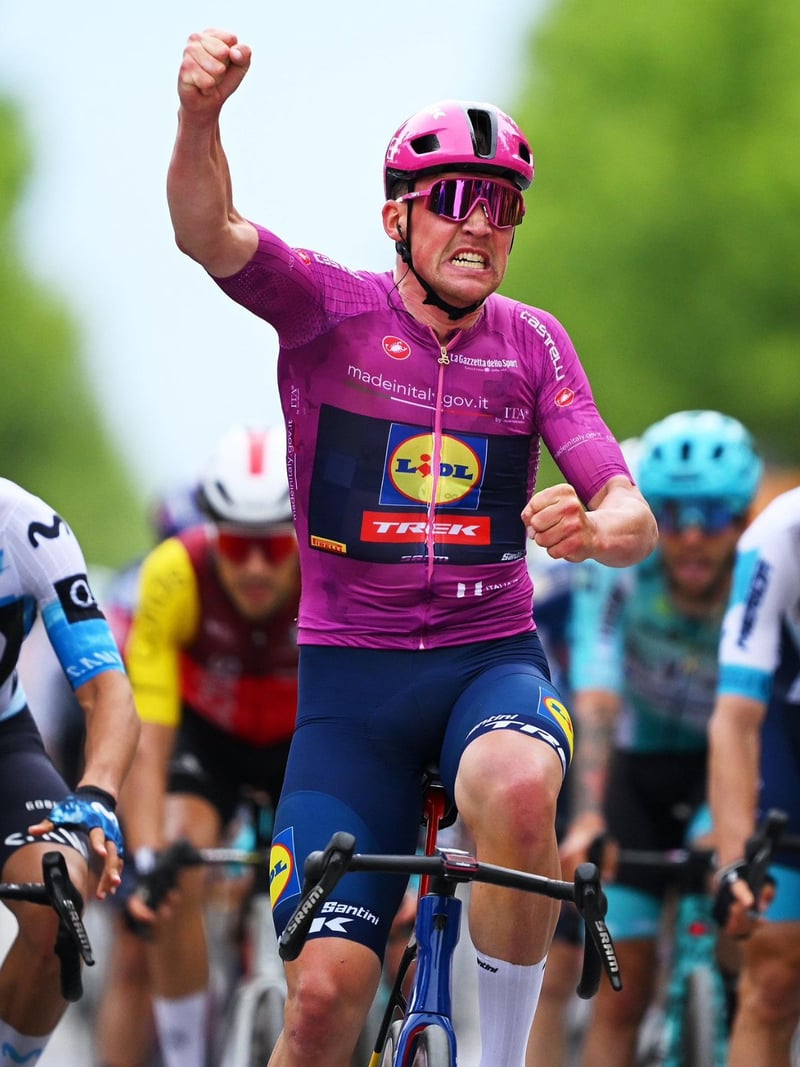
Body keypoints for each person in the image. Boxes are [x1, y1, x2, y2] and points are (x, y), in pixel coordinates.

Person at [166, 29, 658, 1067]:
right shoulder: (328, 311)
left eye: (503, 205)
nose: (481, 221)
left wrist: (595, 528)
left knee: (518, 787)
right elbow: (208, 230)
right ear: (397, 216)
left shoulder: (533, 342)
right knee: (318, 1007)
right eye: (455, 198)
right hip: (352, 691)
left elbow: (628, 512)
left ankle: (501, 1057)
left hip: (490, 662)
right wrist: (200, 116)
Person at [558, 410, 763, 1066]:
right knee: (620, 993)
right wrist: (588, 815)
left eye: (715, 515)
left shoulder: (760, 570)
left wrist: (731, 826)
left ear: (743, 517)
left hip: (722, 768)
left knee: (749, 966)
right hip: (635, 768)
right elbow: (596, 688)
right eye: (672, 515)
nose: (693, 536)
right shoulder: (622, 566)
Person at [117, 424, 300, 1067]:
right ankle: (187, 1055)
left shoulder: (332, 572)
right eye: (239, 547)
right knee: (173, 866)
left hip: (301, 740)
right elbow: (148, 733)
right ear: (212, 533)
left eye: (273, 548)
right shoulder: (175, 573)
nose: (255, 568)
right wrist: (146, 854)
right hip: (209, 741)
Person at [0, 476, 140, 1065]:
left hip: (4, 742)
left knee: (58, 893)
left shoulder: (24, 526)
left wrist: (96, 794)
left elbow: (109, 692)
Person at [93, 481, 204, 1067]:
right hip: (128, 739)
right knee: (137, 948)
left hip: (207, 743)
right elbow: (111, 724)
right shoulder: (134, 592)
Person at [708, 485, 800, 1067]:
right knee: (772, 977)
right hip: (789, 733)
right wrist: (735, 863)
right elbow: (736, 720)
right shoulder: (780, 533)